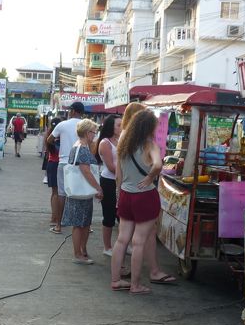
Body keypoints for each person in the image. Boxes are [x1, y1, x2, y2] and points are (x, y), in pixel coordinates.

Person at [111, 109, 177, 294]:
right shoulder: (150, 146)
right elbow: (158, 165)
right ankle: (135, 285)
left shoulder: (123, 144)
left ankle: (116, 280)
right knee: (139, 241)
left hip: (126, 194)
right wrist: (149, 178)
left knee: (122, 239)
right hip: (145, 196)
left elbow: (118, 175)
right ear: (150, 127)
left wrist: (119, 194)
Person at [60, 119, 103, 264]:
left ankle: (82, 251)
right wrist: (98, 187)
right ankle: (79, 253)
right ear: (87, 132)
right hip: (82, 192)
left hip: (79, 191)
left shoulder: (78, 146)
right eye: (93, 132)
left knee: (83, 223)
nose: (95, 135)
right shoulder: (83, 149)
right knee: (80, 223)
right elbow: (86, 171)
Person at [47, 101, 84, 234]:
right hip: (80, 163)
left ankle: (58, 225)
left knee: (61, 194)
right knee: (79, 194)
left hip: (63, 162)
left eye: (70, 110)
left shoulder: (62, 125)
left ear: (73, 111)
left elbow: (49, 139)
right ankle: (83, 224)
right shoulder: (85, 125)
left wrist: (60, 142)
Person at [96, 115, 122, 257]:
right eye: (118, 125)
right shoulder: (105, 143)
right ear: (111, 126)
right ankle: (107, 246)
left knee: (122, 216)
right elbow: (111, 167)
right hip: (109, 182)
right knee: (109, 216)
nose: (121, 127)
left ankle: (123, 244)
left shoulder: (121, 140)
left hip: (122, 182)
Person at [46, 117, 63, 232]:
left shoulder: (49, 136)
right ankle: (58, 218)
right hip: (59, 164)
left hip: (51, 164)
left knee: (54, 193)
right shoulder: (60, 138)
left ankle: (53, 216)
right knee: (60, 193)